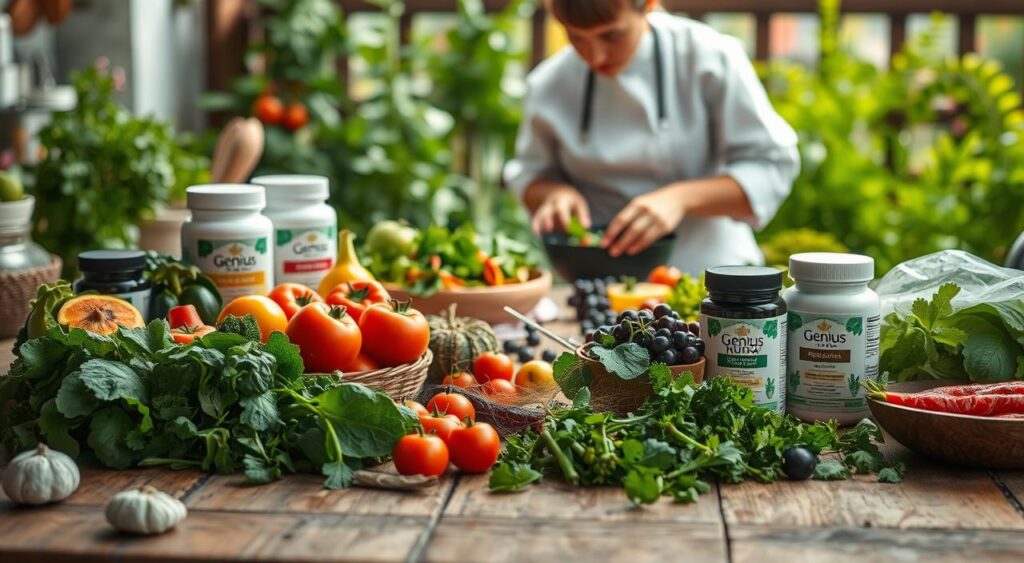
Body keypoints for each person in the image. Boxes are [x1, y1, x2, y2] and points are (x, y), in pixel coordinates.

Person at [504, 0, 800, 274]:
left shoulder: (708, 56)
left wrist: (679, 199)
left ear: (647, 4)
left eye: (611, 36)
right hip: (598, 280)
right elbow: (530, 175)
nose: (595, 56)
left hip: (710, 277)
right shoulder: (549, 83)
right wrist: (553, 194)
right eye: (576, 37)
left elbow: (771, 167)